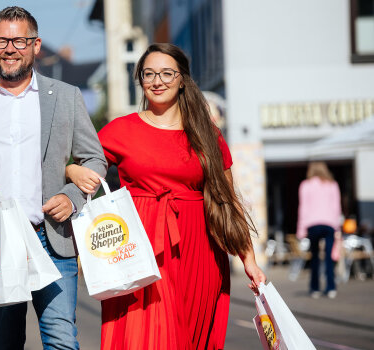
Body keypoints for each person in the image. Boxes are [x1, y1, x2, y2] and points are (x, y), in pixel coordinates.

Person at [65, 43, 266, 349]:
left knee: (192, 338)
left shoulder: (207, 133)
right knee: (150, 339)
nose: (157, 81)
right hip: (141, 249)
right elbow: (80, 164)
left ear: (182, 79)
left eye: (167, 73)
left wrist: (249, 259)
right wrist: (71, 172)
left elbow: (228, 200)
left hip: (201, 251)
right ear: (140, 80)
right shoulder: (120, 130)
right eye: (149, 74)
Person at [0, 6, 107, 349]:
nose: (9, 48)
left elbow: (94, 158)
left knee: (61, 340)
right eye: (1, 40)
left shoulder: (67, 97)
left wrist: (71, 197)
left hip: (51, 237)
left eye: (19, 40)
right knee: (5, 343)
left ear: (36, 45)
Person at [296, 161, 341, 299]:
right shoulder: (332, 185)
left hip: (313, 224)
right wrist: (337, 227)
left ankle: (315, 288)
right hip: (329, 224)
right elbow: (336, 207)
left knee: (315, 257)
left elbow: (303, 208)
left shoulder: (305, 185)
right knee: (329, 258)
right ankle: (331, 287)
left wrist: (301, 229)